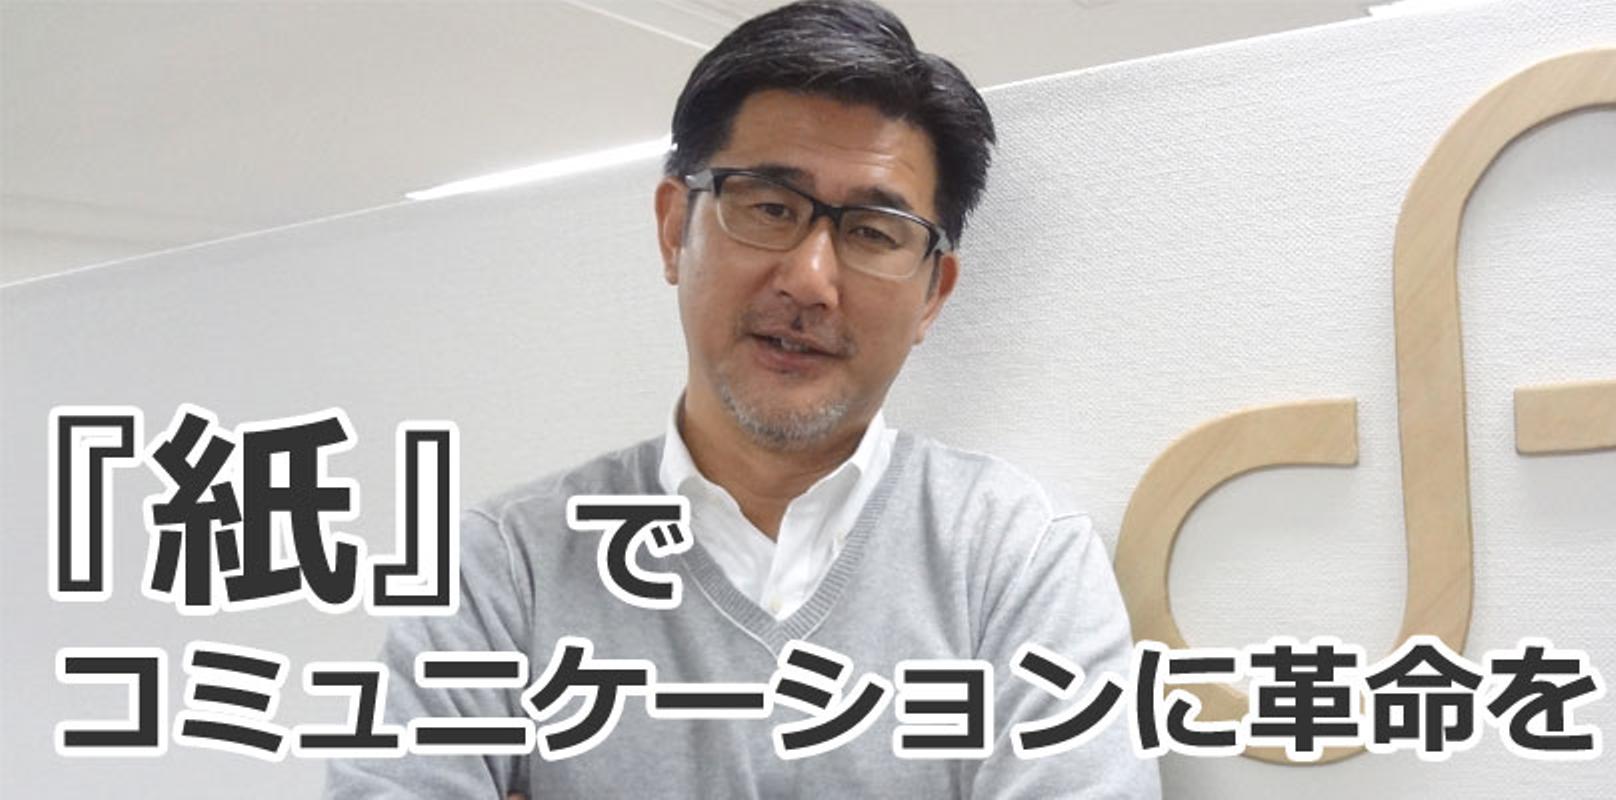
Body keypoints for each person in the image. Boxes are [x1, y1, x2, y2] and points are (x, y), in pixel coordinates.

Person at [325, 1, 1157, 797]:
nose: (810, 280)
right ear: (673, 229)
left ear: (932, 295)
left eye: (873, 232)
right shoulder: (504, 570)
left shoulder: (1016, 559)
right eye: (769, 207)